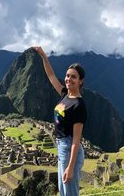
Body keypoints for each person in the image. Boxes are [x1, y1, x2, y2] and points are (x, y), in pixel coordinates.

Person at [33, 46, 87, 196]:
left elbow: (77, 140)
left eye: (74, 77)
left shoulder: (79, 105)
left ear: (81, 81)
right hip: (62, 146)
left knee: (69, 192)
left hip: (69, 148)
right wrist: (43, 56)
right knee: (63, 191)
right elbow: (51, 76)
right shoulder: (65, 94)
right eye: (68, 76)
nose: (69, 79)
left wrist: (70, 167)